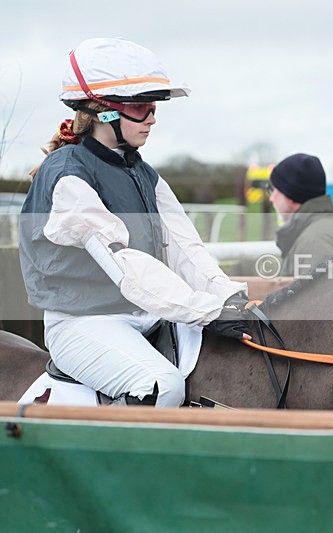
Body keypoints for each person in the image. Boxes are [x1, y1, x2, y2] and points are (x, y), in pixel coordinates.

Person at [18, 38, 251, 407]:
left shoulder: (144, 173)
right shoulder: (66, 176)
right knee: (162, 385)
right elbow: (125, 264)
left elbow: (186, 249)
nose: (153, 118)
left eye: (153, 107)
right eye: (141, 107)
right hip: (82, 325)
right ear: (104, 113)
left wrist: (227, 295)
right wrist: (205, 311)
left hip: (145, 314)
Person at [268, 153, 333, 276]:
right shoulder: (323, 229)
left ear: (289, 194)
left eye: (273, 190)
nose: (271, 198)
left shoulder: (316, 242)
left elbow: (315, 289)